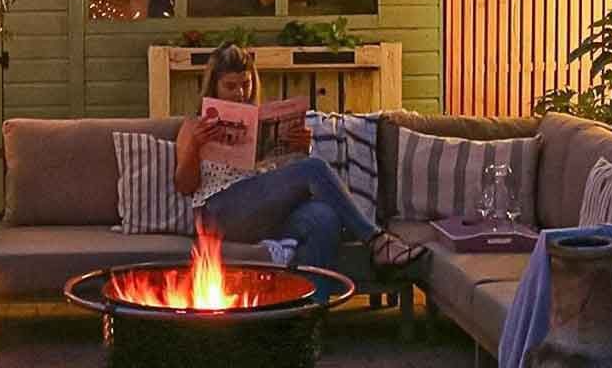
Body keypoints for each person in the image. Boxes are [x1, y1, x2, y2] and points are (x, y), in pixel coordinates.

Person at [175, 42, 427, 272]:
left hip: (262, 210)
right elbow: (184, 186)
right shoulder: (193, 125)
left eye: (246, 84)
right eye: (230, 86)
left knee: (323, 217)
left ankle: (306, 312)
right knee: (313, 168)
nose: (240, 93)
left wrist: (298, 148)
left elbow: (272, 173)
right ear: (214, 87)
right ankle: (377, 241)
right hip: (219, 212)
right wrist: (195, 146)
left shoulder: (259, 120)